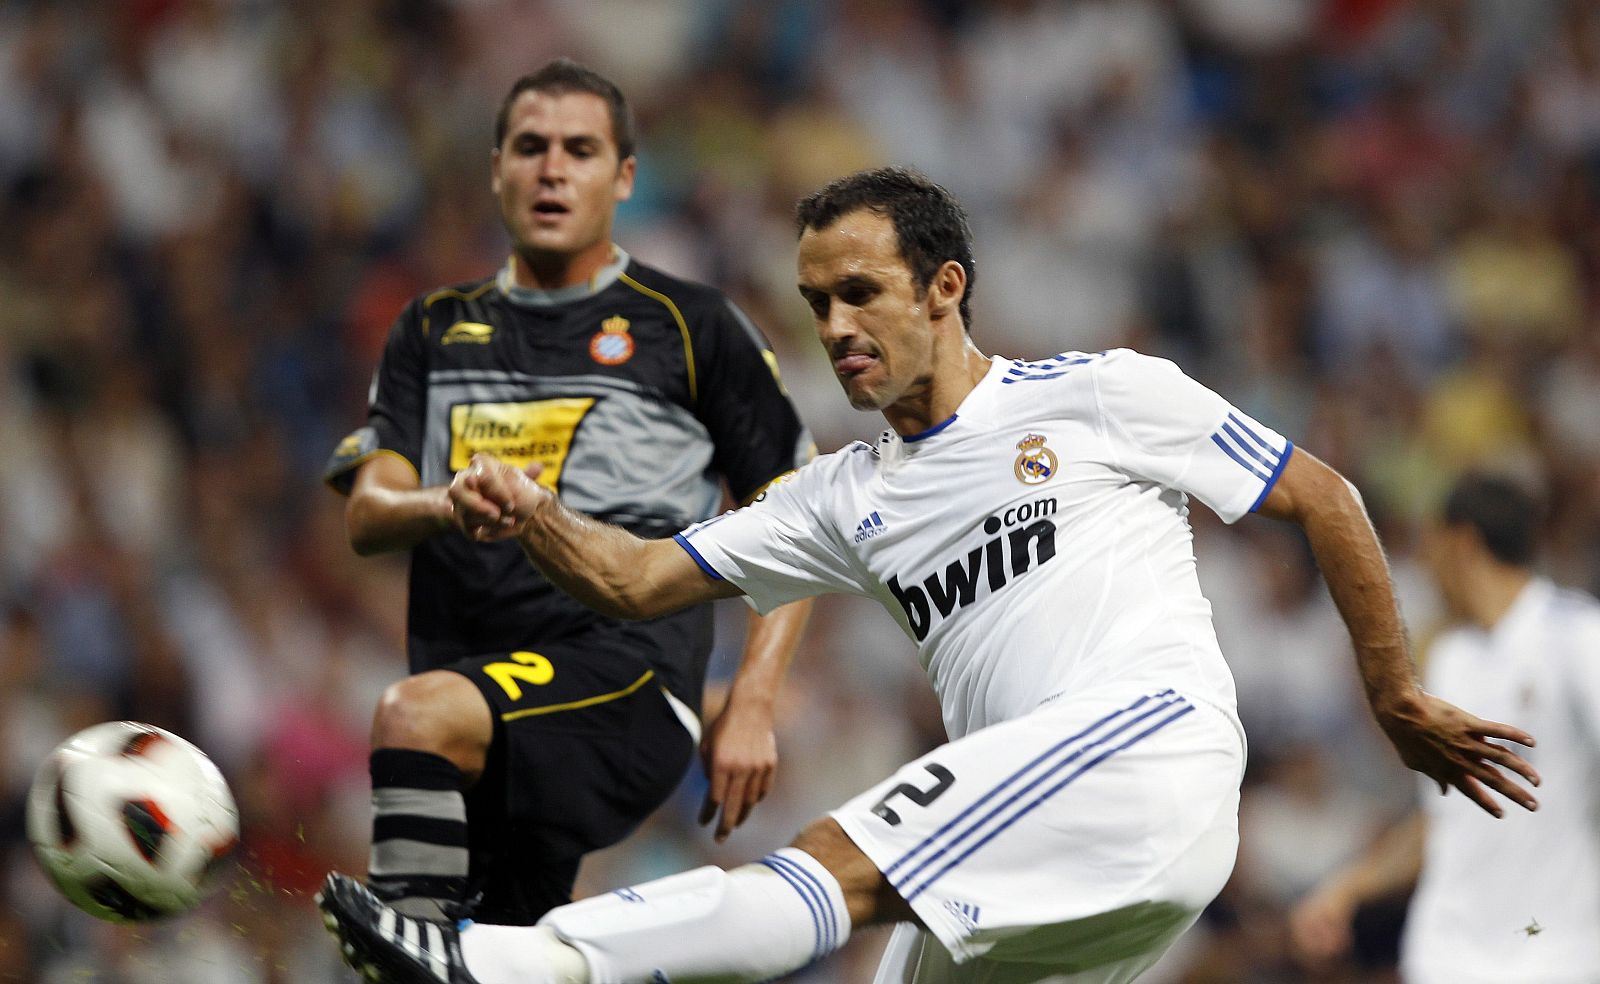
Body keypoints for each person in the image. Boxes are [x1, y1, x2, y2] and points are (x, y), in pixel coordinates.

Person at [316, 166, 1538, 984]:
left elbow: (1323, 494)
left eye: (860, 294)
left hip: (1144, 747)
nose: (836, 328)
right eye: (815, 304)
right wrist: (533, 514)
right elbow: (636, 580)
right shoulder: (841, 494)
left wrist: (1390, 694)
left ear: (944, 288)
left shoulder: (1097, 394)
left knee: (832, 866)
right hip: (1064, 836)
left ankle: (501, 961)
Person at [321, 59, 814, 927]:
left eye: (580, 151)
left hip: (627, 682)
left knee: (411, 719)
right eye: (530, 147)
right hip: (483, 700)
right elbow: (368, 514)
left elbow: (799, 515)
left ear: (624, 177)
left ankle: (415, 946)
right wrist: (445, 504)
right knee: (499, 950)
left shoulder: (691, 325)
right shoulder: (430, 328)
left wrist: (753, 697)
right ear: (496, 169)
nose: (552, 169)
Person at [1290, 473, 1600, 984]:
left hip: (1555, 954)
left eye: (1429, 543)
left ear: (1461, 542)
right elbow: (1442, 818)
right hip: (1443, 956)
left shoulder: (1577, 636)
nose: (1424, 563)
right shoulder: (1450, 659)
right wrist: (1348, 887)